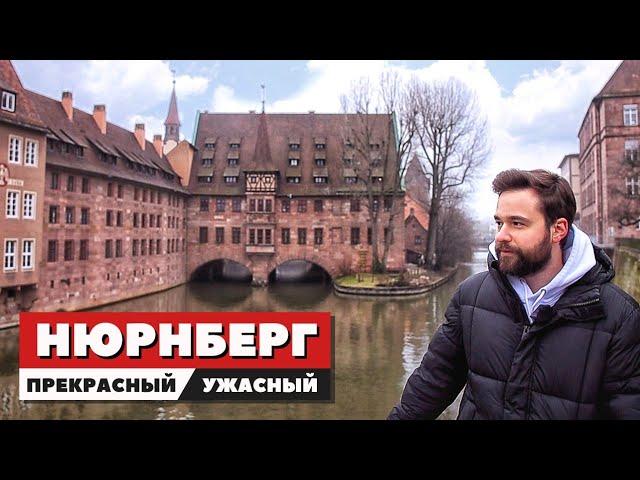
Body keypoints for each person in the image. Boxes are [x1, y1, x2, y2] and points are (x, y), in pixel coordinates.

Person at [388, 169, 640, 420]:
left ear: (558, 230)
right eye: (500, 223)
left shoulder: (619, 318)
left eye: (517, 223)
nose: (501, 236)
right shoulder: (471, 297)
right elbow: (429, 387)